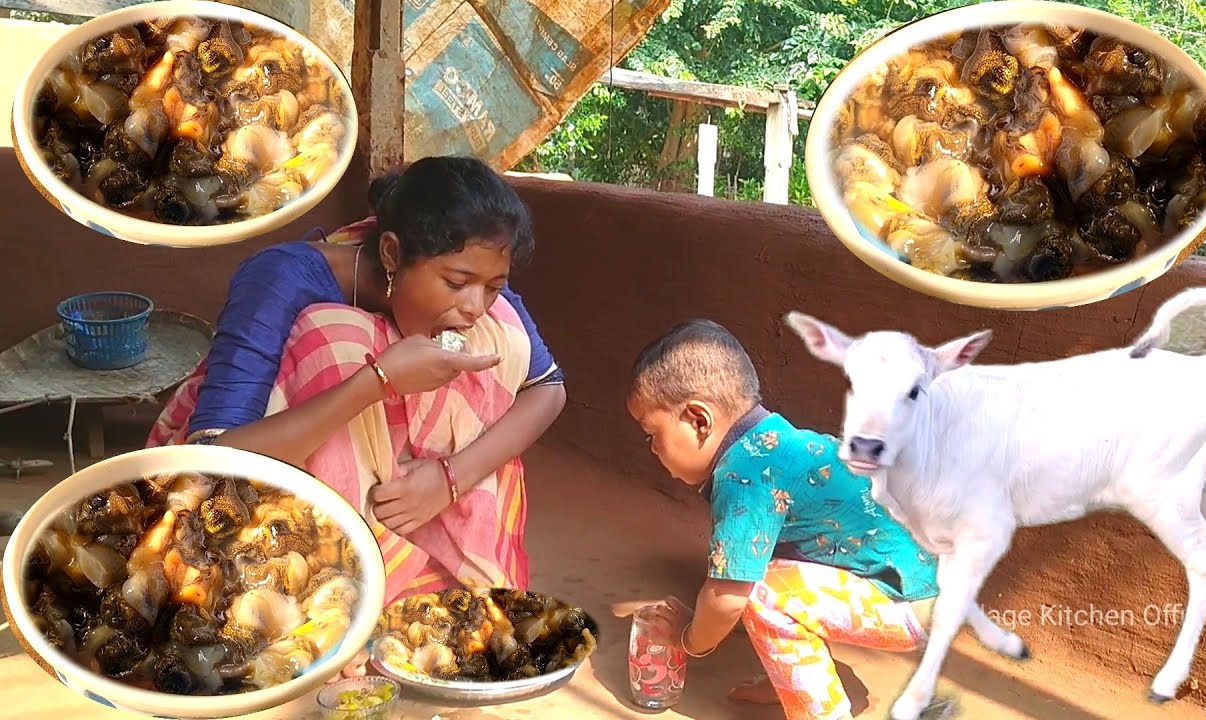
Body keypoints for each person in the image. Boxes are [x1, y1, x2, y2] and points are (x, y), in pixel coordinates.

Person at [147, 156, 566, 606]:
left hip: (419, 499)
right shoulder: (281, 280)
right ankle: (323, 592)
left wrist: (448, 480)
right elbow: (213, 457)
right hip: (271, 507)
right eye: (456, 283)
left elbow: (549, 388)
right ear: (390, 253)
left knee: (502, 341)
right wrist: (378, 379)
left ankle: (430, 578)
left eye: (493, 287)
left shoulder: (475, 270)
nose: (474, 306)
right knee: (335, 342)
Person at [626, 319, 939, 720]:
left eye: (652, 433)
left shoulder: (744, 476)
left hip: (912, 602)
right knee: (767, 571)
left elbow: (726, 600)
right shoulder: (774, 441)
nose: (652, 448)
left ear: (699, 420)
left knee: (757, 591)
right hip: (932, 577)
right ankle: (792, 677)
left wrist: (689, 639)